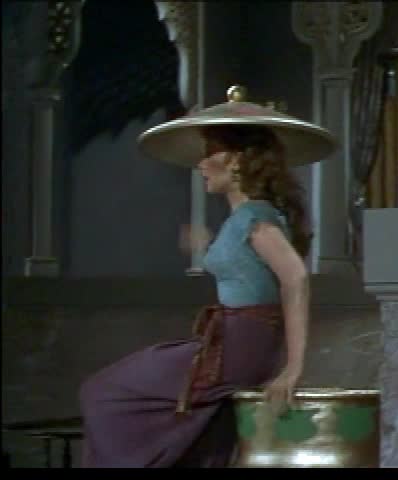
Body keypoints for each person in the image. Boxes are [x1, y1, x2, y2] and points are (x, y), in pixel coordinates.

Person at [79, 88, 336, 467]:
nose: (201, 164)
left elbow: (295, 278)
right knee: (197, 424)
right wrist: (207, 244)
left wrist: (293, 368)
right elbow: (250, 268)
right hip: (236, 341)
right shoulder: (245, 220)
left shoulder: (255, 219)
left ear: (237, 161)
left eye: (210, 152)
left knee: (103, 392)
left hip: (240, 346)